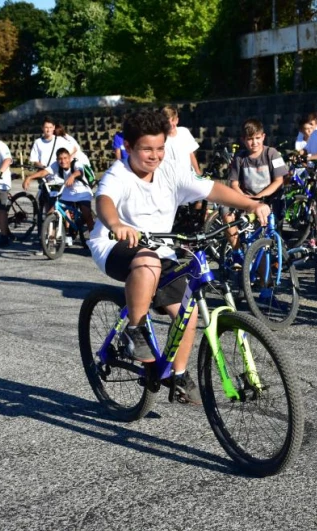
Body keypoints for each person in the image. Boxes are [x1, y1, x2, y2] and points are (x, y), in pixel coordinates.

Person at [86, 109, 270, 404]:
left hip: (160, 246)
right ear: (130, 147)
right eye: (146, 149)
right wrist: (117, 224)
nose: (155, 155)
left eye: (159, 148)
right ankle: (134, 331)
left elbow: (213, 190)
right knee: (147, 262)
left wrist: (251, 204)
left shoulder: (170, 170)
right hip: (113, 244)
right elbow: (104, 201)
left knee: (189, 309)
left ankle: (179, 377)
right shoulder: (119, 173)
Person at [222, 118, 287, 262]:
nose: (254, 142)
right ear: (243, 140)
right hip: (247, 200)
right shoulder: (240, 158)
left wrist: (258, 198)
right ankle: (237, 250)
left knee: (263, 239)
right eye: (250, 139)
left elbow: (278, 181)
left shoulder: (272, 153)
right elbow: (234, 184)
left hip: (269, 200)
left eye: (258, 138)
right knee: (225, 212)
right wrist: (246, 200)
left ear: (263, 137)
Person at [23, 147, 95, 242]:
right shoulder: (56, 165)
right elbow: (44, 172)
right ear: (57, 159)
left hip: (82, 192)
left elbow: (79, 171)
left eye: (65, 158)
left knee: (87, 215)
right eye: (60, 159)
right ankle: (51, 240)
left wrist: (72, 176)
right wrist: (29, 177)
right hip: (67, 193)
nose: (63, 161)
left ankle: (94, 239)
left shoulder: (76, 164)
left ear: (69, 158)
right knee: (51, 213)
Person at [161, 105, 201, 177]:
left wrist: (197, 171)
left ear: (177, 120)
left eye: (173, 121)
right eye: (167, 122)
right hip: (169, 177)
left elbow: (191, 154)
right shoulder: (160, 137)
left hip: (188, 175)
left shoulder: (184, 132)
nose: (170, 124)